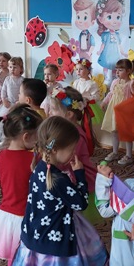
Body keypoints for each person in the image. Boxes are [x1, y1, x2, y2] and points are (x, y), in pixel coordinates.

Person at [8, 116, 108, 266]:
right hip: (55, 240)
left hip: (34, 234)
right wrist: (79, 174)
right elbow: (81, 202)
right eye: (71, 150)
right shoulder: (59, 179)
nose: (73, 154)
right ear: (55, 149)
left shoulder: (39, 167)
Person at [0, 104, 42, 266]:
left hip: (6, 215)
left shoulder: (1, 155)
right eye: (36, 137)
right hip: (23, 217)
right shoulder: (32, 160)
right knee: (25, 257)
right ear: (26, 136)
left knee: (15, 255)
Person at [48, 87, 100, 223]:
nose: (49, 112)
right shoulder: (66, 130)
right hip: (72, 174)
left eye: (53, 109)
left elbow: (67, 160)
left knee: (78, 219)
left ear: (69, 114)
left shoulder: (74, 135)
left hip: (81, 176)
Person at [101, 58, 134, 165]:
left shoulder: (131, 84)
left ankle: (129, 155)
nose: (117, 72)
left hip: (125, 112)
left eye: (120, 70)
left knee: (126, 133)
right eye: (116, 70)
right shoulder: (115, 82)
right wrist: (104, 102)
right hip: (114, 110)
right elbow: (110, 94)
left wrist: (132, 86)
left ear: (128, 71)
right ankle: (115, 152)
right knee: (114, 131)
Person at [96, 0, 126, 83]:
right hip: (107, 52)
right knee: (106, 65)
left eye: (118, 17)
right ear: (101, 19)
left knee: (114, 66)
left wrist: (122, 52)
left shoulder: (117, 35)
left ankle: (114, 78)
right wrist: (99, 51)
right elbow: (103, 45)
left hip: (115, 53)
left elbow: (119, 44)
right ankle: (106, 77)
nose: (114, 21)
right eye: (109, 17)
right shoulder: (105, 35)